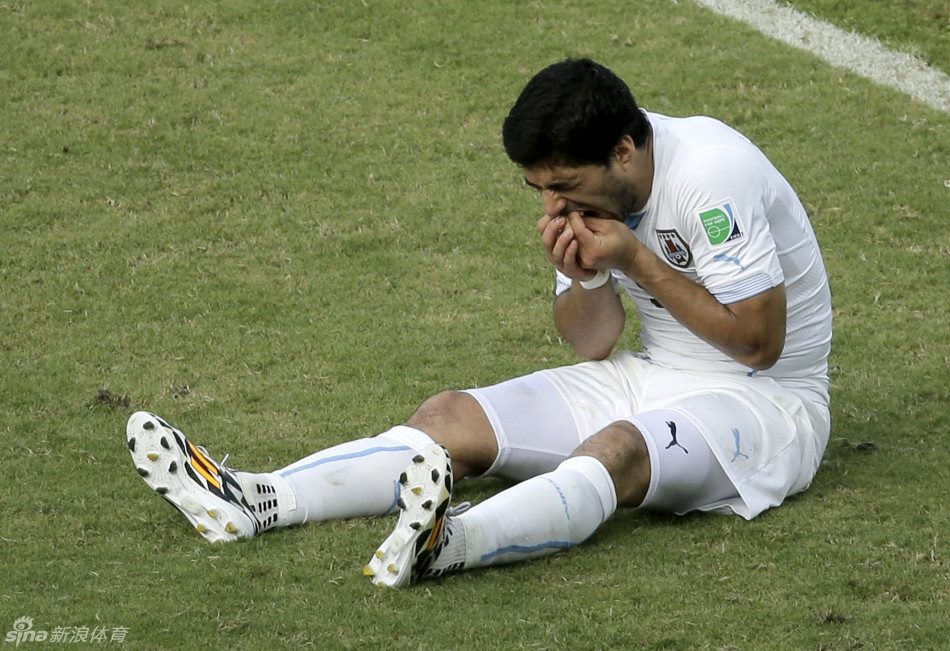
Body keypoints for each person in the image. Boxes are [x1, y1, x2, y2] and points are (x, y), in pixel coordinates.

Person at [126, 58, 832, 588]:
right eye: (540, 190)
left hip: (769, 405)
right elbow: (593, 341)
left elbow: (758, 344)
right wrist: (587, 274)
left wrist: (635, 261)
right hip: (655, 374)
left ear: (624, 151)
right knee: (448, 417)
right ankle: (256, 500)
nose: (554, 206)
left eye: (564, 186)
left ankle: (446, 544)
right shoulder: (593, 188)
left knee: (616, 449)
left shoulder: (711, 174)